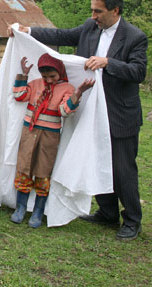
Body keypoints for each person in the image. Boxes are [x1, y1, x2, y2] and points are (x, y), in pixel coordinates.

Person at [11, 0, 147, 240]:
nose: (93, 15)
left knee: (122, 167)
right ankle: (107, 213)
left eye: (99, 11)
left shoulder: (134, 37)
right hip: (89, 110)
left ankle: (132, 220)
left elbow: (139, 72)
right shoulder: (89, 27)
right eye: (92, 10)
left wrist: (108, 63)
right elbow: (62, 34)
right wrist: (27, 31)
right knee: (94, 157)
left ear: (115, 11)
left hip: (119, 113)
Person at [9, 54, 94, 227]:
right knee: (24, 168)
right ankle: (20, 208)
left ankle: (38, 212)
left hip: (49, 137)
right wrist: (24, 75)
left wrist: (79, 92)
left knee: (43, 171)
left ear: (60, 72)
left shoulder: (67, 88)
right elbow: (19, 96)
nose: (48, 80)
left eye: (52, 76)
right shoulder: (35, 84)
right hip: (29, 132)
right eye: (45, 76)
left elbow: (65, 111)